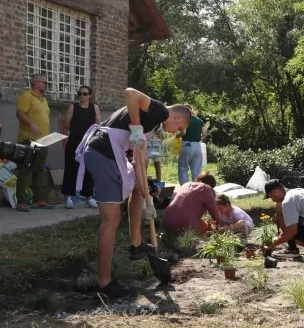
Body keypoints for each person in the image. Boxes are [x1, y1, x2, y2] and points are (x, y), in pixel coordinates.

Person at [75, 88, 191, 297]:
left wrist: (148, 197)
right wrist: (136, 128)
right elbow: (130, 93)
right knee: (111, 220)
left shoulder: (152, 126)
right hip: (105, 155)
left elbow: (139, 164)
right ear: (177, 116)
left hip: (109, 156)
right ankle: (104, 283)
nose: (174, 132)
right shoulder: (160, 112)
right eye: (178, 127)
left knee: (138, 190)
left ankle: (136, 244)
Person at [15, 73, 53, 211]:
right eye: (45, 82)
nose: (46, 85)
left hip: (44, 140)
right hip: (29, 140)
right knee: (26, 170)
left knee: (40, 170)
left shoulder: (44, 100)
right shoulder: (27, 96)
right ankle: (21, 201)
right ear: (36, 83)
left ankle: (38, 200)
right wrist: (31, 124)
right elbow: (19, 114)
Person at [61, 85, 100, 209]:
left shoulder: (95, 108)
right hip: (75, 141)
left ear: (89, 96)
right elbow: (67, 124)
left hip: (89, 142)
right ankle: (68, 197)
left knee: (88, 168)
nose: (82, 96)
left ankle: (88, 197)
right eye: (80, 93)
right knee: (71, 168)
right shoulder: (73, 107)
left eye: (84, 94)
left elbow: (97, 124)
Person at [162, 172, 222, 237]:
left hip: (166, 221)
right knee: (204, 226)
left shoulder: (186, 184)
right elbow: (214, 212)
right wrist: (218, 224)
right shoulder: (207, 189)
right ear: (211, 185)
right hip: (184, 226)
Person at [178, 111, 206, 185]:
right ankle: (196, 188)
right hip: (197, 145)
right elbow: (204, 133)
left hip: (187, 144)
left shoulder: (186, 119)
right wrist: (199, 138)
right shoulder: (199, 120)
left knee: (183, 168)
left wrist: (178, 135)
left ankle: (185, 188)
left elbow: (183, 132)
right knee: (197, 170)